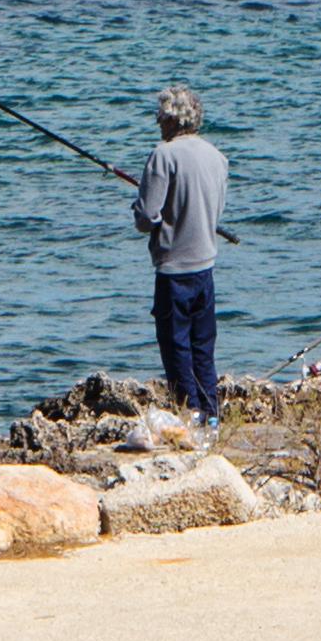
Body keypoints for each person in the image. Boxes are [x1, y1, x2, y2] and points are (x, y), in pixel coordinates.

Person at [132, 83, 227, 420]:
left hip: (173, 272)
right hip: (206, 270)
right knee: (203, 352)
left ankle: (191, 418)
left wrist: (141, 208)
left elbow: (146, 218)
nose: (159, 124)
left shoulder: (163, 155)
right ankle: (211, 417)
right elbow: (214, 213)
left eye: (160, 117)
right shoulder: (217, 157)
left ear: (171, 120)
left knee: (177, 354)